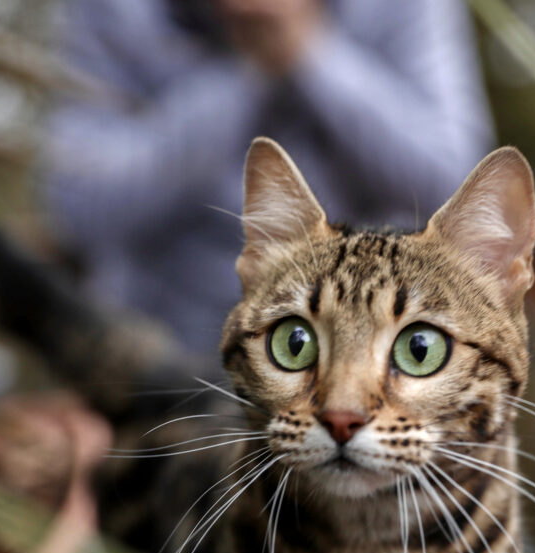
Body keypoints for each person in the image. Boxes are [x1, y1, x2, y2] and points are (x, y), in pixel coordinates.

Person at [41, 0, 494, 354]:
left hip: (362, 360)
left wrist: (310, 54)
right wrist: (251, 71)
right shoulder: (115, 11)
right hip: (158, 366)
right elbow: (77, 206)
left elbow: (453, 179)